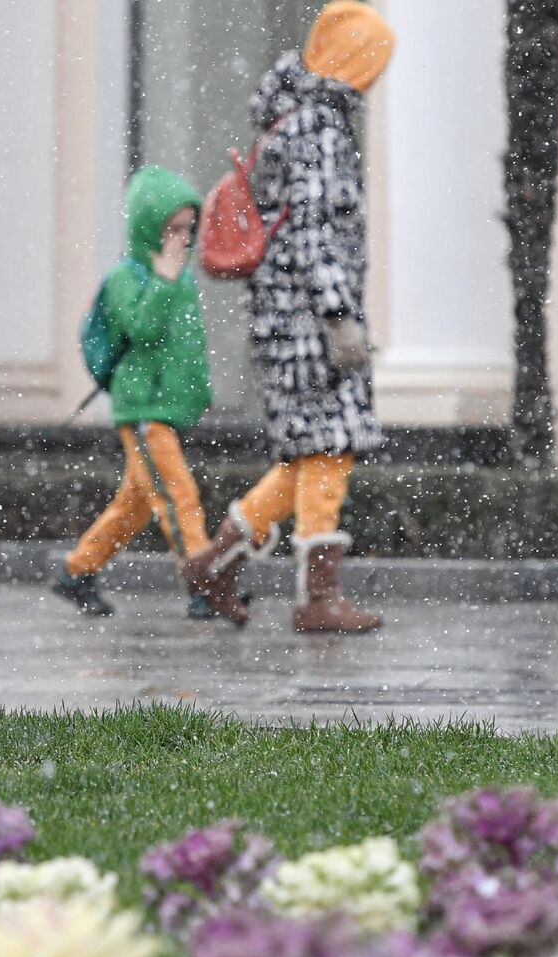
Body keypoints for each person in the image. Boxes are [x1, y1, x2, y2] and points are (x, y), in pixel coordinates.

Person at [185, 0, 394, 633]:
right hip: (311, 323)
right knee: (332, 446)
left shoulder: (289, 124)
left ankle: (215, 561)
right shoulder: (322, 132)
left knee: (308, 454)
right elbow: (314, 232)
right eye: (373, 63)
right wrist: (339, 315)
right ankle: (317, 598)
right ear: (355, 64)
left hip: (282, 319)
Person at [54, 165, 217, 618]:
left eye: (188, 228)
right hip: (143, 407)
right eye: (172, 229)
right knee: (178, 496)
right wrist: (163, 282)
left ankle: (78, 570)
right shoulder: (129, 277)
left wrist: (198, 392)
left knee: (137, 504)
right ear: (149, 227)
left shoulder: (179, 278)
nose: (182, 239)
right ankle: (205, 586)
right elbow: (143, 330)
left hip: (164, 405)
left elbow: (188, 345)